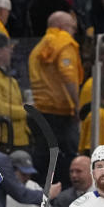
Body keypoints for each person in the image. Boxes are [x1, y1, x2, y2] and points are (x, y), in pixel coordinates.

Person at [28, 11, 83, 186]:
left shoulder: (38, 48)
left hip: (40, 112)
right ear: (62, 27)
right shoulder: (65, 43)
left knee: (43, 157)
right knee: (63, 161)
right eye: (72, 27)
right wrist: (77, 105)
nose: (74, 31)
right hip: (61, 114)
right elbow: (68, 75)